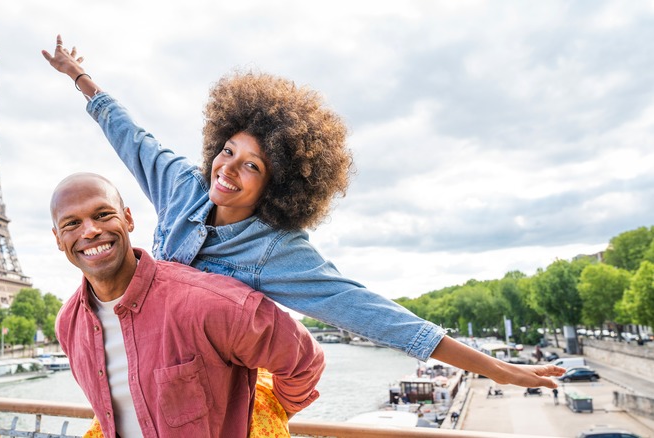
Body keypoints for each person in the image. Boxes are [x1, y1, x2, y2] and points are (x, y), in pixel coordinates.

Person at [42, 35, 565, 433]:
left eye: (252, 166)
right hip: (162, 374)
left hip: (219, 389)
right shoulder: (182, 185)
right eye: (227, 151)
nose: (227, 170)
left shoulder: (277, 251)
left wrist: (495, 369)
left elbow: (375, 315)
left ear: (278, 185)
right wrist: (80, 78)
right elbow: (131, 137)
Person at [50, 172, 325, 438]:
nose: (91, 231)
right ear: (58, 239)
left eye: (102, 215)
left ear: (128, 219)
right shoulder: (69, 325)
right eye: (71, 224)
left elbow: (304, 361)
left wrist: (263, 416)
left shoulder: (208, 302)